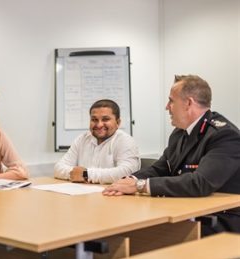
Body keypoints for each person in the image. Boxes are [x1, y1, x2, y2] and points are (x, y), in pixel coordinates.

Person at [103, 75, 240, 235]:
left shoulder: (224, 135)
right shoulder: (179, 133)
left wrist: (140, 186)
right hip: (186, 210)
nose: (167, 107)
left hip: (221, 220)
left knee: (144, 233)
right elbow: (161, 168)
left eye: (171, 101)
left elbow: (199, 183)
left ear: (189, 103)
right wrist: (128, 180)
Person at [54, 99, 140, 184]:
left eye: (105, 119)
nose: (99, 125)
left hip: (113, 196)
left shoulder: (125, 141)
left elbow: (126, 173)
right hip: (83, 194)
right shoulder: (82, 139)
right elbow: (58, 168)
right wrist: (75, 174)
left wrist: (86, 174)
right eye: (94, 120)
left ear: (118, 122)